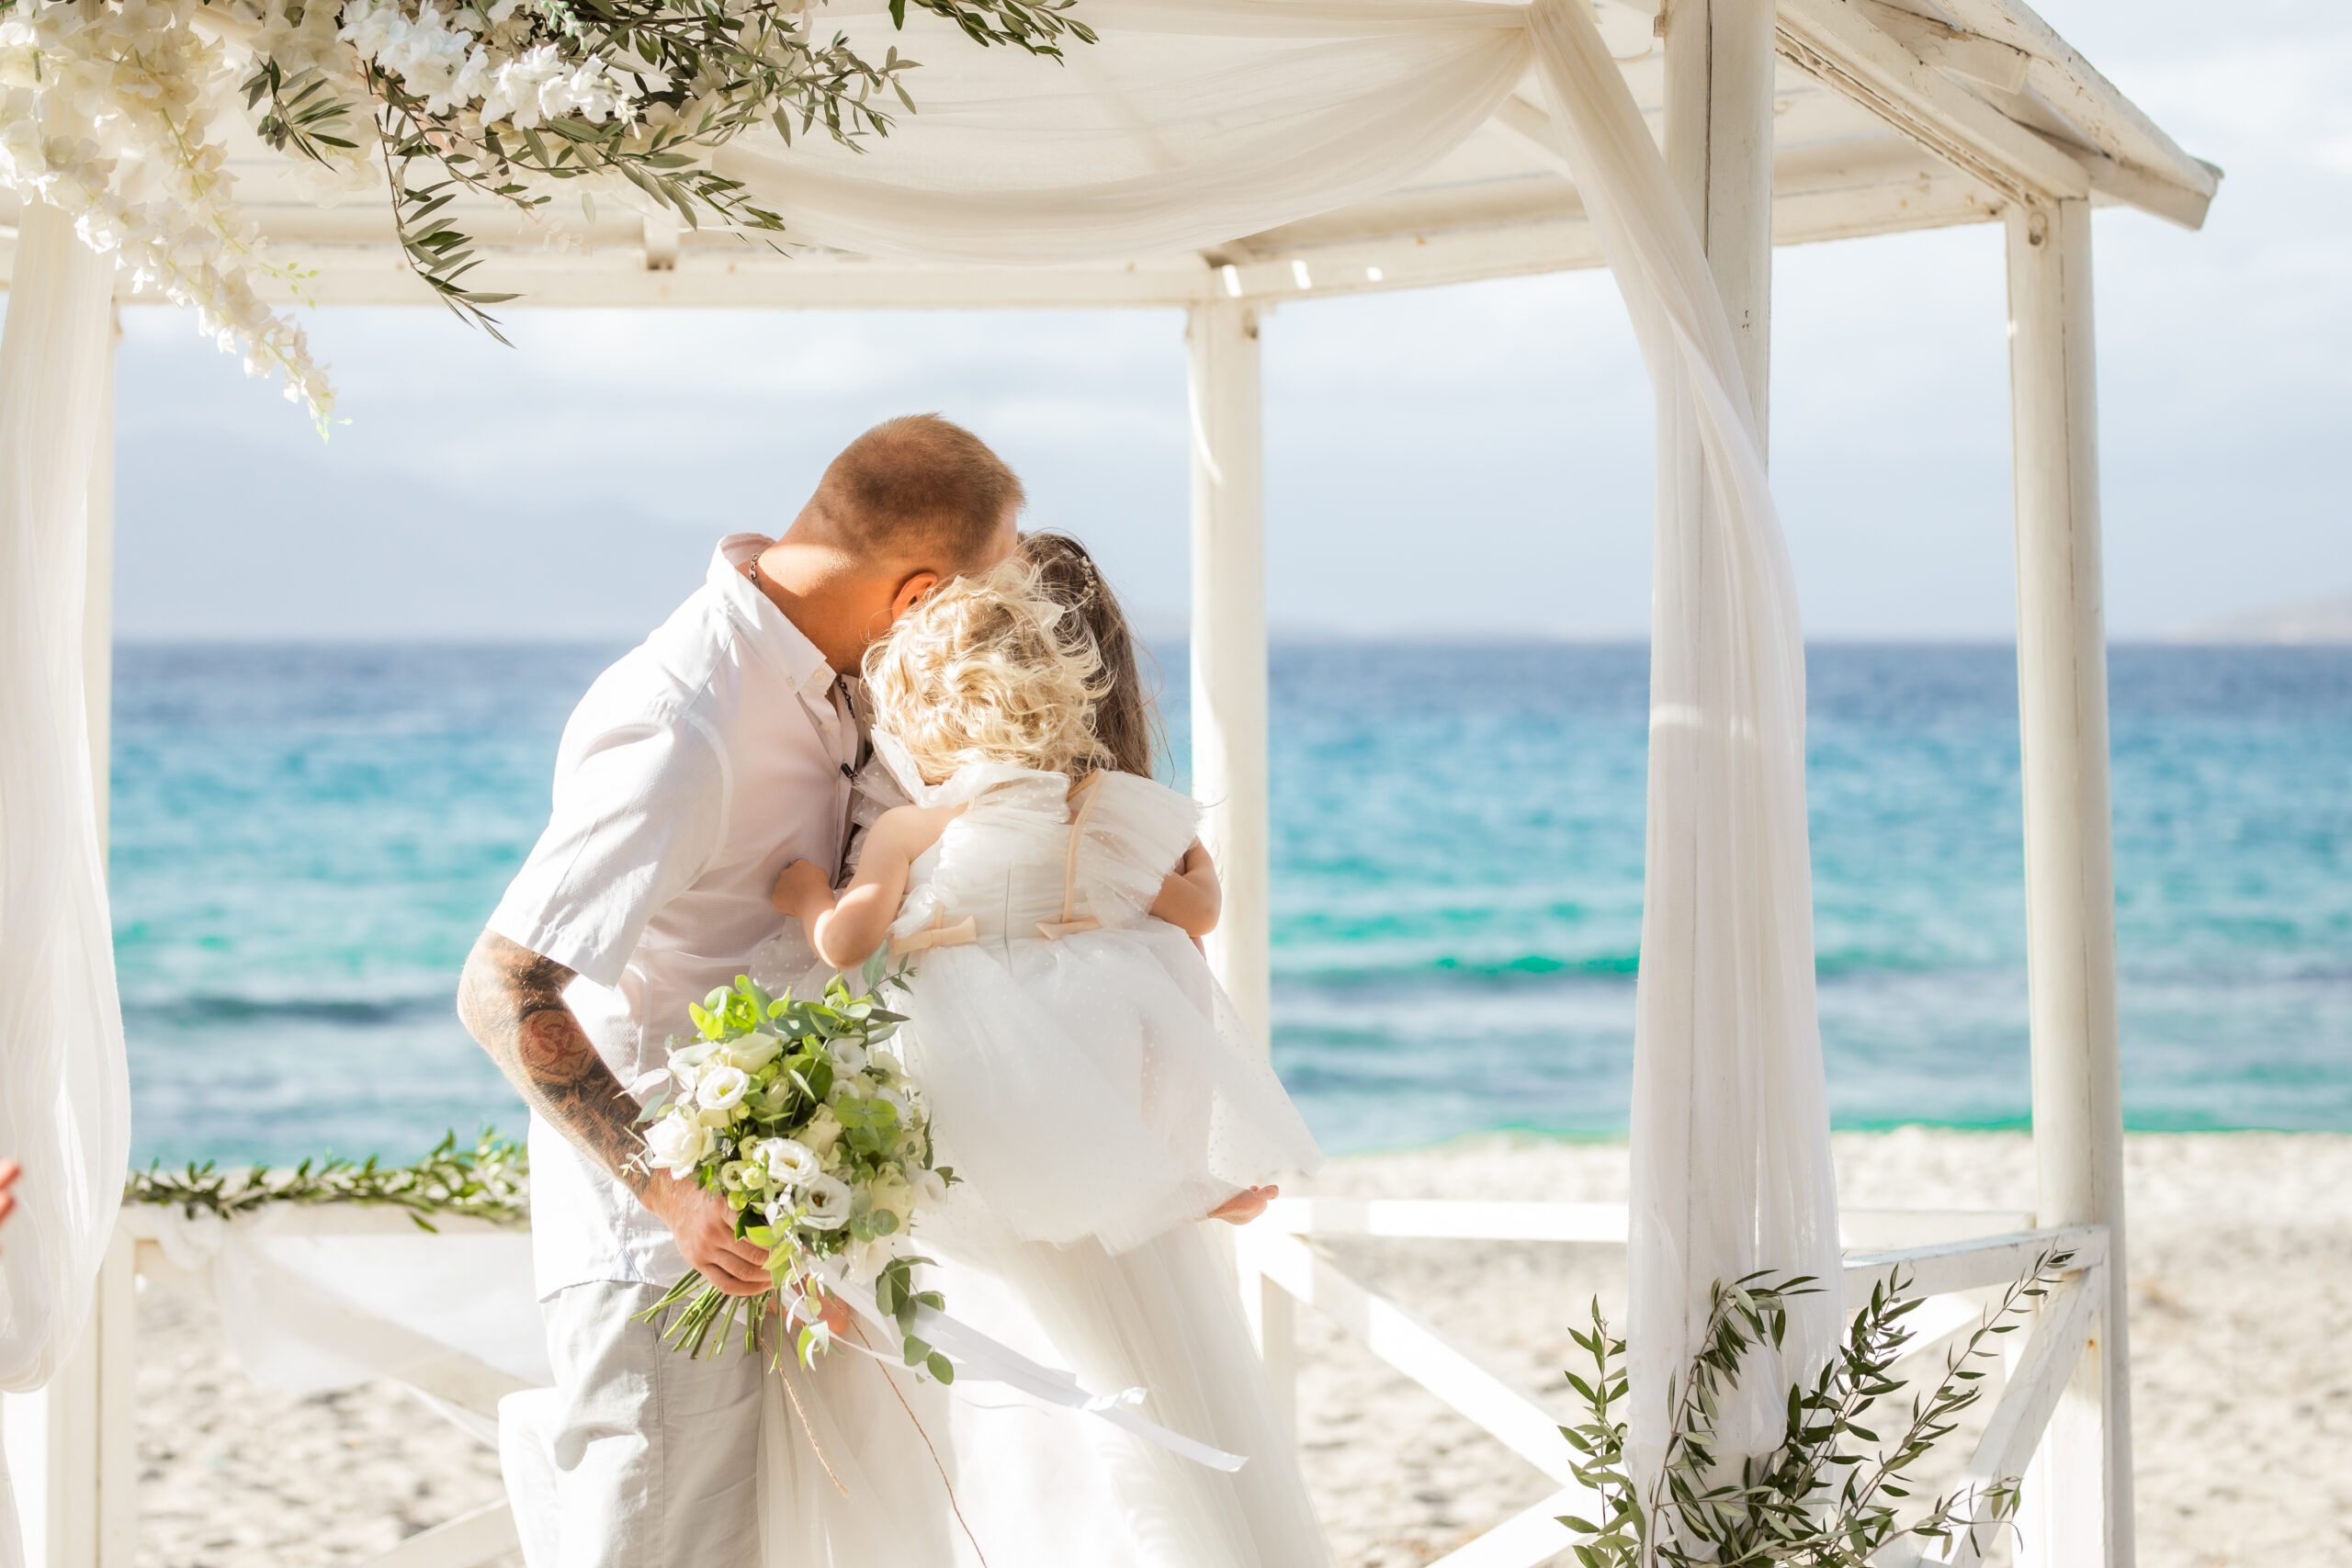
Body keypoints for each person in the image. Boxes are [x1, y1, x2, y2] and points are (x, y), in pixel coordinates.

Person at [456, 414, 1023, 1568]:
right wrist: (672, 1197)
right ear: (919, 593)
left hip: (785, 1233)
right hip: (665, 1258)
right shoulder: (686, 723)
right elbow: (502, 985)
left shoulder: (826, 673)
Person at [767, 544, 1329, 1566]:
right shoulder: (1100, 816)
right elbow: (1195, 915)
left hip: (970, 1098)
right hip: (1085, 1090)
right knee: (1115, 1378)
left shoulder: (915, 824)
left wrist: (803, 890)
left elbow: (846, 941)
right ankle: (1179, 1174)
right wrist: (1134, 871)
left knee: (1001, 1351)